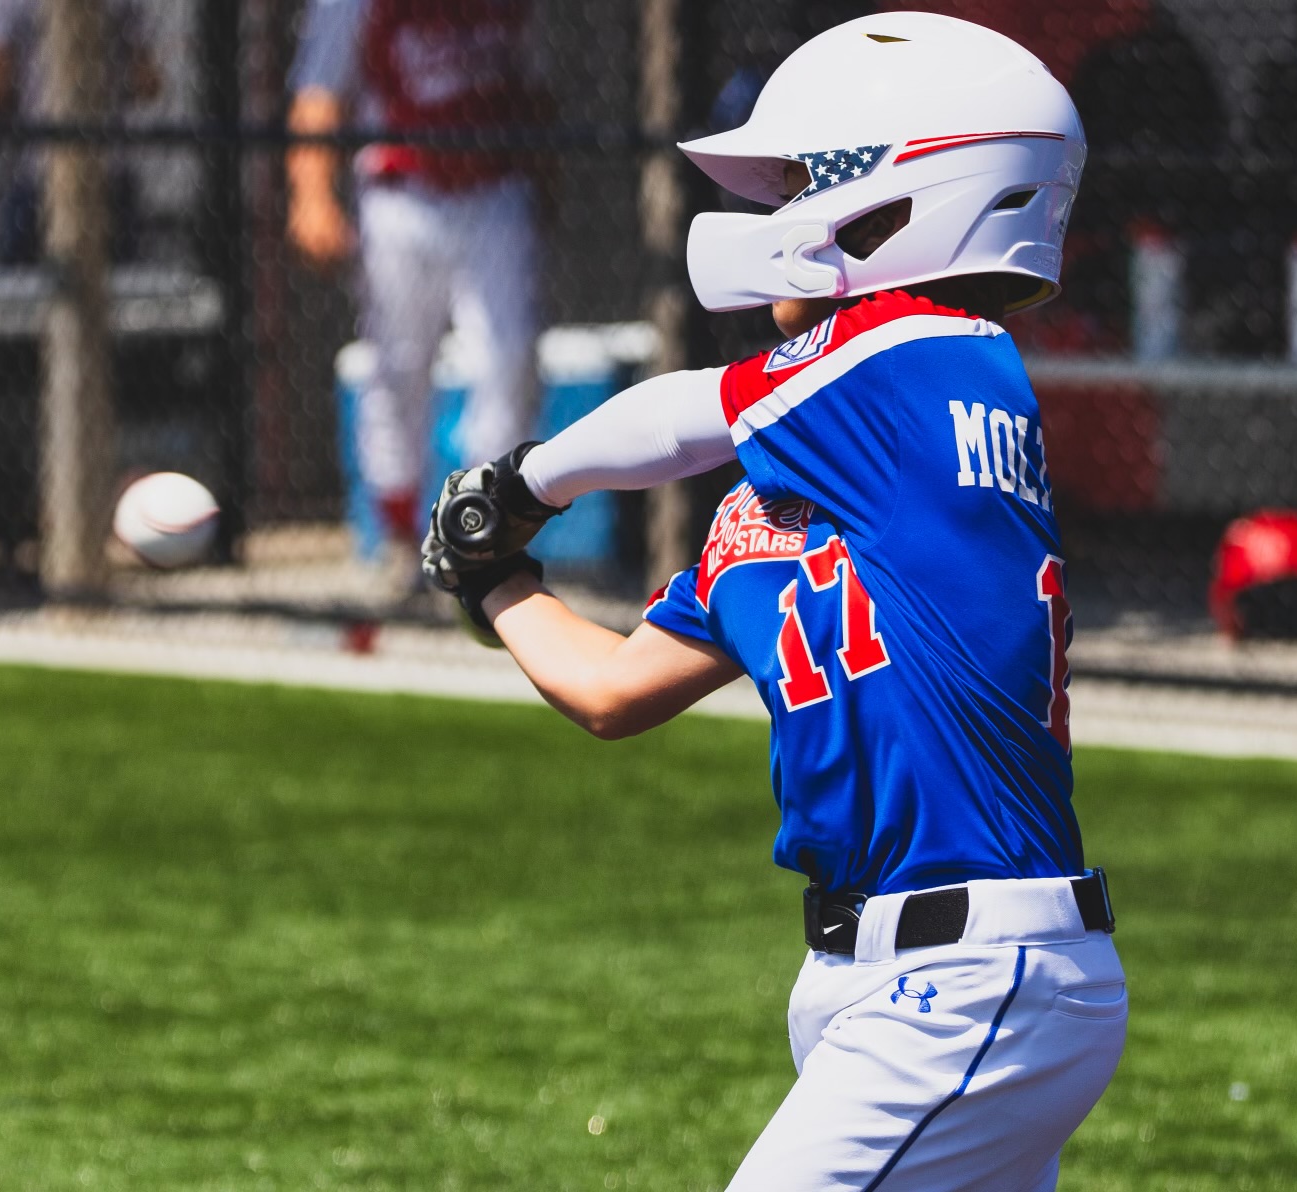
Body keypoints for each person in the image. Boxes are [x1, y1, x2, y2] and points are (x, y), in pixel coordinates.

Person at [422, 15, 1125, 1190]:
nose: (778, 210)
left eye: (806, 179)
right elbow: (612, 687)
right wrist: (491, 581)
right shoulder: (803, 486)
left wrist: (517, 485)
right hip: (871, 978)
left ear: (914, 189)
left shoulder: (934, 351)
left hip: (969, 970)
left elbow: (681, 411)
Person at [287, 0, 552, 551]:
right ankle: (402, 542)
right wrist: (311, 195)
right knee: (398, 366)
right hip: (400, 191)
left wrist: (550, 183)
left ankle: (484, 533)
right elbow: (318, 92)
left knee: (510, 357)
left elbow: (536, 87)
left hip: (494, 187)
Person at [0, 0, 162, 265]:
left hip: (40, 173)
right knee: (121, 285)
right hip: (109, 168)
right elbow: (145, 80)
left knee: (15, 294)